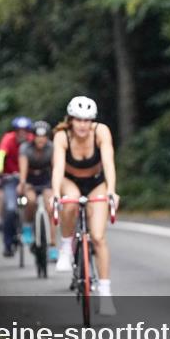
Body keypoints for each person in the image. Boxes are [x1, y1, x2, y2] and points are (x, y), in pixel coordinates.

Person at [51, 96, 120, 313]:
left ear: (92, 121)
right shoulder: (62, 136)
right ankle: (66, 246)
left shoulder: (101, 132)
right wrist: (55, 193)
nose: (83, 125)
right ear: (70, 120)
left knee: (98, 237)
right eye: (78, 120)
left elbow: (108, 163)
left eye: (87, 120)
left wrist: (111, 191)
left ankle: (105, 293)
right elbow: (58, 168)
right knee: (70, 201)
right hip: (70, 180)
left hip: (96, 182)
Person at [0, 116, 33, 257]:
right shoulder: (8, 139)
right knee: (10, 209)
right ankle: (8, 244)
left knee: (33, 203)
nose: (22, 134)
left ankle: (35, 234)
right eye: (19, 131)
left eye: (25, 131)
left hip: (28, 179)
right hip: (10, 178)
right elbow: (0, 155)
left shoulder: (32, 140)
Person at [18, 120, 55, 258]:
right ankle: (27, 227)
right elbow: (23, 169)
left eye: (44, 136)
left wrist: (56, 186)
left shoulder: (52, 148)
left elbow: (55, 168)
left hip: (46, 180)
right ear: (33, 137)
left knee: (51, 207)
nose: (41, 139)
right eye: (38, 136)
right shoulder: (25, 148)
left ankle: (52, 245)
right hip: (30, 180)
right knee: (31, 200)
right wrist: (22, 184)